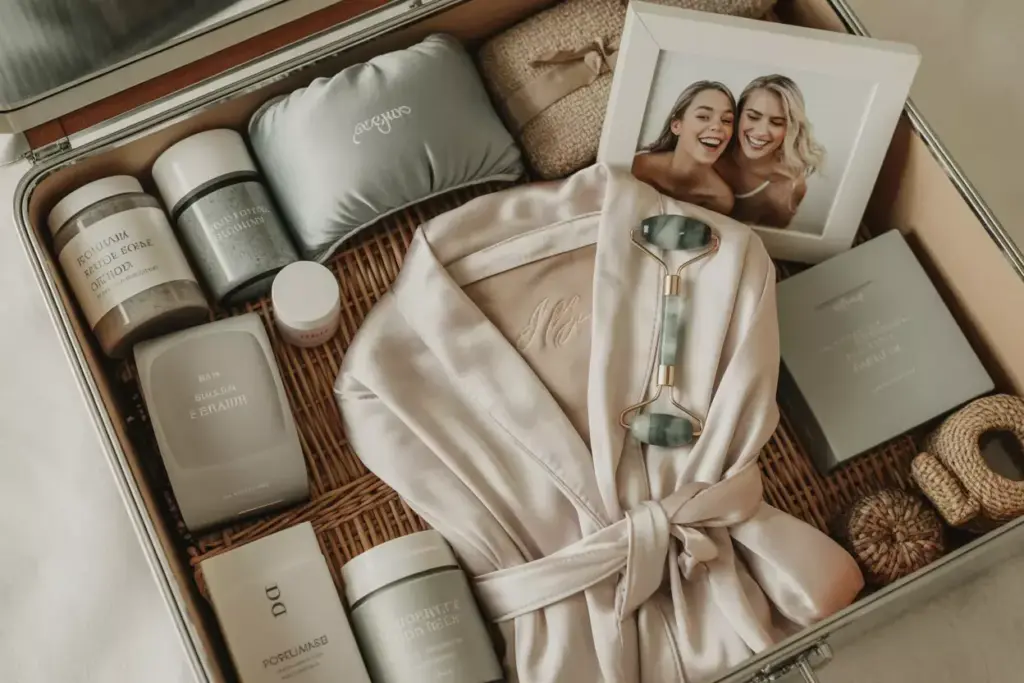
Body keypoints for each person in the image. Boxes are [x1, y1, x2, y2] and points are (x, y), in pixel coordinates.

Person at [716, 74, 825, 229]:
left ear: (790, 128)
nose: (761, 132)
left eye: (776, 122)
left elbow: (771, 242)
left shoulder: (789, 186)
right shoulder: (710, 152)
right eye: (753, 117)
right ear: (738, 114)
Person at [632, 80, 736, 215]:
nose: (717, 126)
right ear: (676, 126)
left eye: (726, 120)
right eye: (703, 116)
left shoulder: (720, 200)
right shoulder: (637, 166)